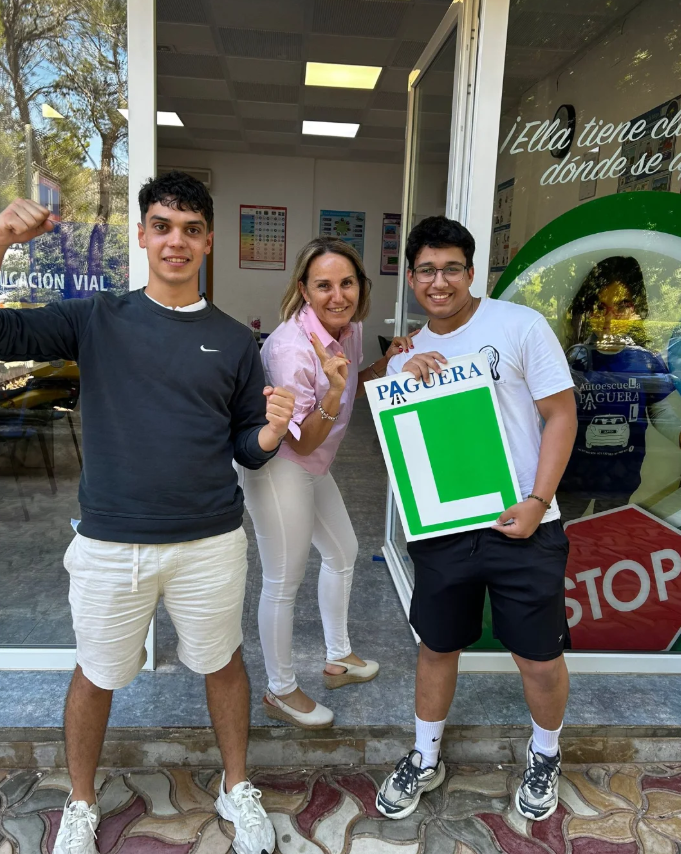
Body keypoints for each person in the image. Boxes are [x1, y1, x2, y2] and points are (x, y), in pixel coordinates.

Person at [0, 173, 295, 854]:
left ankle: (236, 785)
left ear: (209, 241)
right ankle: (80, 801)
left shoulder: (234, 340)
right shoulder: (96, 318)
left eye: (191, 229)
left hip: (210, 543)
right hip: (111, 543)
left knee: (223, 663)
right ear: (141, 235)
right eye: (162, 226)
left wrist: (272, 434)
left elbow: (247, 450)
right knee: (96, 673)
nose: (175, 241)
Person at [375, 215, 577, 822]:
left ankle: (546, 754)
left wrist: (538, 501)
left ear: (472, 273)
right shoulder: (404, 356)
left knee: (538, 656)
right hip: (443, 530)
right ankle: (425, 755)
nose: (439, 282)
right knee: (437, 645)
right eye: (427, 271)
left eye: (451, 269)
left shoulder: (519, 326)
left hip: (525, 520)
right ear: (411, 278)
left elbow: (561, 415)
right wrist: (402, 377)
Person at [243, 236, 415, 728]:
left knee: (343, 552)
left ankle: (338, 658)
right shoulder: (291, 349)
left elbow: (350, 380)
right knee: (282, 581)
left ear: (361, 286)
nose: (338, 296)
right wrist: (334, 392)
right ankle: (279, 690)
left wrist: (385, 363)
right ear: (304, 289)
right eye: (323, 286)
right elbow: (300, 441)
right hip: (280, 466)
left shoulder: (349, 327)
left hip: (312, 466)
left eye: (347, 283)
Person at [558, 255, 680, 521]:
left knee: (607, 537)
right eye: (600, 307)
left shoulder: (646, 361)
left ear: (636, 310)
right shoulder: (573, 358)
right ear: (588, 310)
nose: (609, 319)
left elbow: (659, 411)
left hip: (620, 480)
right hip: (570, 478)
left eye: (622, 307)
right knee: (561, 536)